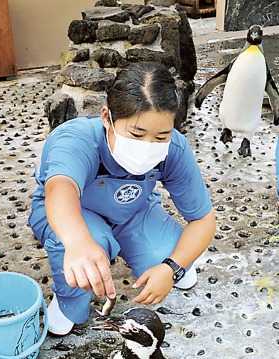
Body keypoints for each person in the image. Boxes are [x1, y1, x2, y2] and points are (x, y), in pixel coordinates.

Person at [29, 63, 216, 336]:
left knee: (170, 259)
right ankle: (68, 300)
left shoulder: (175, 148)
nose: (149, 146)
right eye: (137, 135)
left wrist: (172, 267)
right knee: (80, 245)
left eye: (161, 136)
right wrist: (78, 242)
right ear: (107, 117)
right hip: (78, 213)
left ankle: (153, 259)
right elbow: (61, 190)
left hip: (134, 209)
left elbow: (203, 218)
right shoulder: (76, 138)